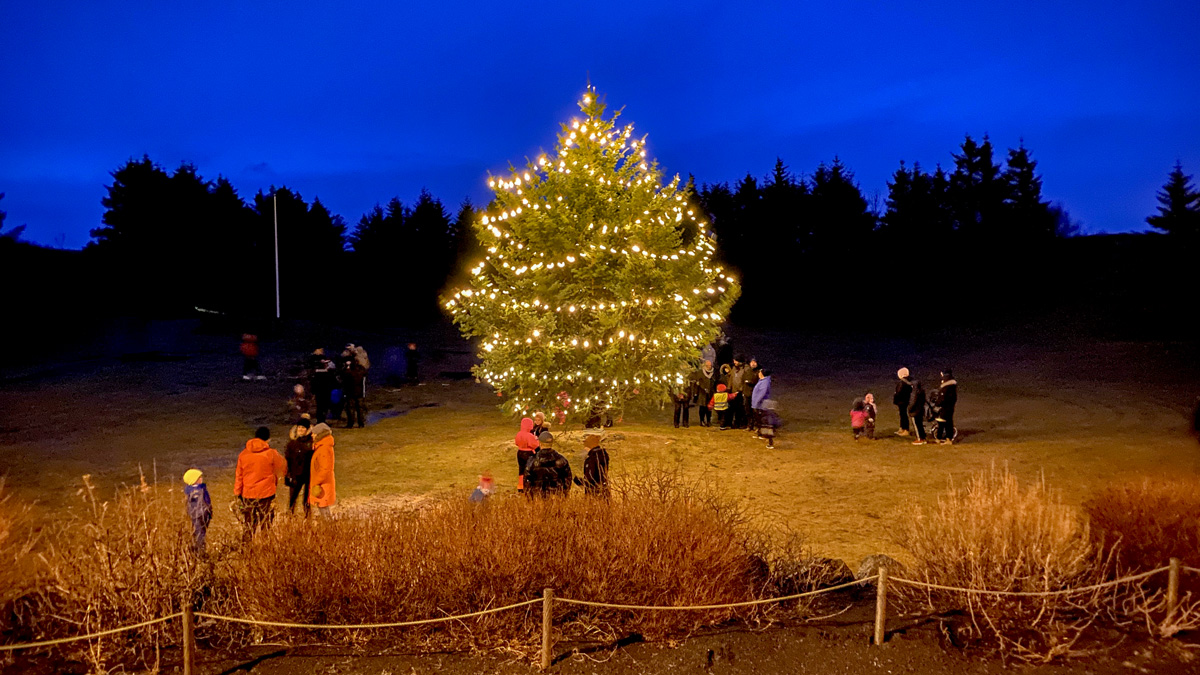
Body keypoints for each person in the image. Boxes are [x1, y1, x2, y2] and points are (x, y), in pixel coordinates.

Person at [234, 426, 286, 541]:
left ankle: (246, 549)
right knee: (266, 523)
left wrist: (237, 493)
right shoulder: (271, 453)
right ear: (268, 440)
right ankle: (264, 550)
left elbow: (239, 476)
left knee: (249, 524)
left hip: (247, 494)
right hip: (266, 494)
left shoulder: (243, 454)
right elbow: (283, 467)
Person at [523, 432, 573, 496]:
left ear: (540, 443)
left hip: (537, 497)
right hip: (557, 497)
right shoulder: (561, 459)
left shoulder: (532, 460)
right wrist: (564, 493)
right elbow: (568, 478)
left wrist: (529, 497)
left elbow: (527, 480)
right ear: (551, 443)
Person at [284, 418, 314, 516]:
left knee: (307, 499)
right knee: (292, 498)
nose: (300, 429)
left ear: (307, 429)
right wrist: (287, 474)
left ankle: (307, 515)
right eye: (299, 427)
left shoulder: (312, 443)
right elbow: (287, 458)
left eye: (303, 427)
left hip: (309, 474)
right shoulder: (292, 443)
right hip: (295, 474)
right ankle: (290, 515)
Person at [309, 423, 336, 517]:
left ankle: (329, 530)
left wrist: (316, 482)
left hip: (323, 485)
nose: (312, 435)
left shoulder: (324, 449)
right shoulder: (321, 447)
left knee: (324, 509)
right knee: (323, 509)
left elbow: (325, 469)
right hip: (322, 483)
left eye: (314, 433)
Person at [182, 469, 212, 556]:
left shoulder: (190, 491)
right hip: (201, 514)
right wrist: (208, 511)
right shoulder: (199, 491)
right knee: (200, 533)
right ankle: (200, 552)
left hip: (197, 514)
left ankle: (196, 549)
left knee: (199, 532)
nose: (201, 479)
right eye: (199, 477)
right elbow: (204, 502)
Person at [309, 349, 336, 424]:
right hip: (324, 391)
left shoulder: (318, 374)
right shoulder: (325, 374)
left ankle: (321, 420)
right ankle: (321, 420)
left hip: (322, 391)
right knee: (322, 406)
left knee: (321, 406)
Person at [515, 417, 540, 492]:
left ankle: (521, 486)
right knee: (529, 469)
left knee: (521, 469)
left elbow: (516, 443)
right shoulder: (529, 435)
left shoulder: (519, 434)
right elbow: (535, 445)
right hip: (528, 453)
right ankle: (530, 485)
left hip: (520, 452)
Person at [936, 368, 958, 444]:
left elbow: (942, 398)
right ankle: (941, 437)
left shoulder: (946, 386)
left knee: (946, 422)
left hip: (945, 407)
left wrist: (938, 403)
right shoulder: (952, 385)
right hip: (949, 406)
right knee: (946, 421)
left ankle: (948, 439)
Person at [343, 360, 367, 428]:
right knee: (360, 409)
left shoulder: (349, 372)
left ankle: (350, 423)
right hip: (360, 392)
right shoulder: (360, 371)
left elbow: (344, 375)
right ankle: (361, 423)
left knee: (351, 408)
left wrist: (347, 367)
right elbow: (365, 372)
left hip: (350, 393)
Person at [692, 360, 717, 427]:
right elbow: (697, 383)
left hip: (710, 392)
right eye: (707, 365)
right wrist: (696, 393)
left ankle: (708, 421)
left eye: (710, 366)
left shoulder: (713, 373)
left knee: (709, 408)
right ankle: (702, 420)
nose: (709, 367)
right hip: (702, 392)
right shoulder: (700, 372)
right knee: (702, 407)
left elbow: (715, 383)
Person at [740, 358, 760, 431]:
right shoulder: (747, 372)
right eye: (752, 362)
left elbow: (759, 383)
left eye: (755, 362)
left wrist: (750, 382)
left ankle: (756, 426)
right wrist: (743, 392)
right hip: (747, 394)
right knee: (748, 411)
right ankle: (749, 425)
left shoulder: (759, 372)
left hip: (755, 395)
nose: (753, 364)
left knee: (755, 411)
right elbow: (742, 382)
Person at [751, 369, 772, 435]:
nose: (758, 373)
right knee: (758, 419)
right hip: (757, 404)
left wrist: (757, 402)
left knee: (761, 419)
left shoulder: (764, 382)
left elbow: (762, 393)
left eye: (759, 372)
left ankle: (762, 433)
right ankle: (759, 431)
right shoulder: (762, 381)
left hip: (760, 405)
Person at [893, 368, 913, 436]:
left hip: (902, 401)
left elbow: (899, 392)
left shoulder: (903, 383)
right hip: (904, 401)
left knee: (903, 415)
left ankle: (905, 429)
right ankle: (902, 428)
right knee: (902, 415)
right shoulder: (909, 381)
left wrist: (896, 398)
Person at [909, 381, 928, 445]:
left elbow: (912, 402)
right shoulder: (922, 391)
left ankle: (920, 439)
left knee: (917, 425)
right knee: (920, 425)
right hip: (921, 410)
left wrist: (910, 409)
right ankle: (923, 438)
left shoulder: (914, 393)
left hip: (915, 411)